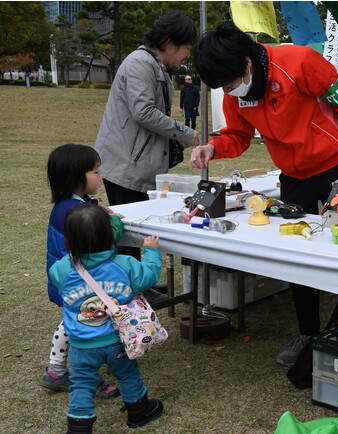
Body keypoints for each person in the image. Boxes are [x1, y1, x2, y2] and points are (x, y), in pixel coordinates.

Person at [189, 21, 338, 367]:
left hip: (337, 165)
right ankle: (308, 332)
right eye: (223, 88)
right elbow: (238, 137)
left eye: (230, 82)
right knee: (296, 252)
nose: (229, 91)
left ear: (246, 63)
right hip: (293, 176)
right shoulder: (235, 95)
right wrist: (214, 147)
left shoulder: (299, 61)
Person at [95, 11, 200, 264]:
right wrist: (185, 132)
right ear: (168, 43)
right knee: (127, 232)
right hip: (125, 164)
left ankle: (143, 284)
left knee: (140, 230)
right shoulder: (140, 63)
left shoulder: (155, 65)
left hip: (137, 164)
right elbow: (143, 112)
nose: (187, 54)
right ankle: (130, 290)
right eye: (186, 48)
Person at [49, 204, 163, 434]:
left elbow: (59, 280)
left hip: (81, 344)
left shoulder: (61, 269)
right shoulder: (124, 265)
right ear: (111, 236)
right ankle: (138, 410)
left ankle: (79, 426)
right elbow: (147, 277)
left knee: (82, 383)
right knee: (128, 373)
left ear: (69, 239)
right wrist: (151, 252)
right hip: (116, 339)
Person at [40, 144, 123, 400]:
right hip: (79, 280)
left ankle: (56, 370)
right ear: (77, 177)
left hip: (67, 276)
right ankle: (82, 376)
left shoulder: (70, 205)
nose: (101, 176)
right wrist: (112, 222)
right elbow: (106, 240)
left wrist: (97, 211)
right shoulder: (76, 211)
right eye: (96, 171)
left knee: (72, 321)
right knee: (80, 325)